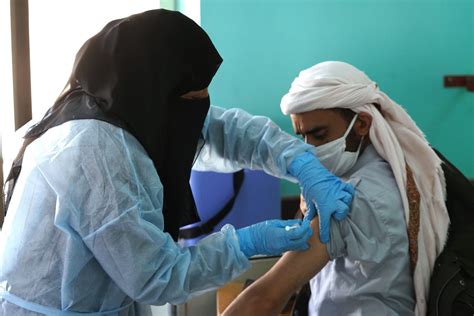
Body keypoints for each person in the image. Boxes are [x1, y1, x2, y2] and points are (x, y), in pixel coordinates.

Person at [0, 11, 354, 315]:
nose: (199, 109)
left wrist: (298, 161)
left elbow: (225, 130)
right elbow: (157, 275)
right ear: (156, 87)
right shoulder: (94, 151)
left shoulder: (126, 106)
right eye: (191, 97)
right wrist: (247, 243)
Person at [223, 61, 450, 316]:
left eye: (319, 135)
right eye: (302, 137)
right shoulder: (394, 169)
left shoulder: (349, 198)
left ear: (362, 123)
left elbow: (264, 300)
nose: (310, 149)